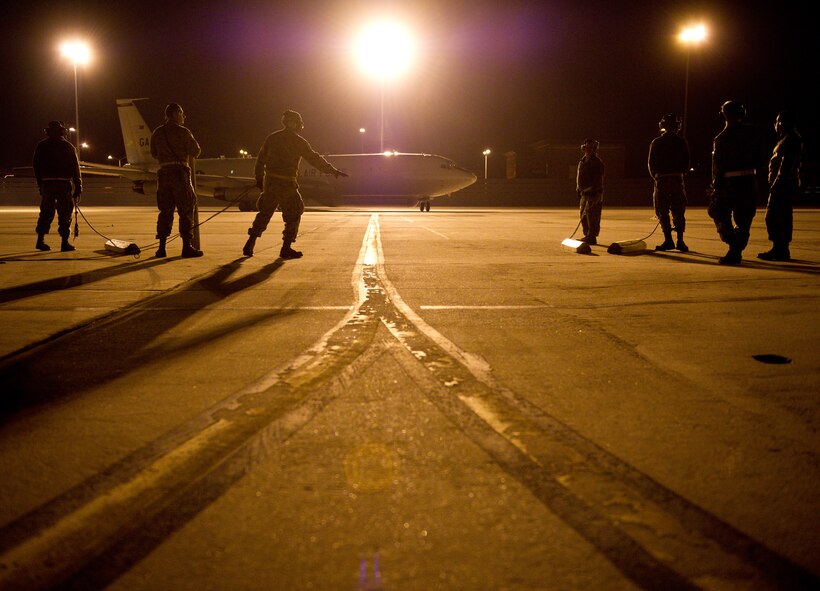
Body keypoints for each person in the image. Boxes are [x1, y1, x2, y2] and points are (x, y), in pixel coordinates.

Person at [243, 110, 348, 258]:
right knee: (294, 214)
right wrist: (333, 171)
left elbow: (260, 160)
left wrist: (259, 180)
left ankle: (250, 243)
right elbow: (314, 159)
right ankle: (286, 248)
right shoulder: (298, 141)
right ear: (294, 123)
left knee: (264, 213)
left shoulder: (272, 138)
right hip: (286, 183)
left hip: (270, 183)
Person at [708, 100, 762, 265]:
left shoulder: (721, 138)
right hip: (748, 180)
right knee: (744, 218)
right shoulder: (753, 132)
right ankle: (737, 248)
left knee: (717, 212)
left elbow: (719, 164)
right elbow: (761, 156)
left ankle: (734, 246)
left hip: (729, 182)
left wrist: (716, 185)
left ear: (723, 115)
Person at [150, 102, 203, 258]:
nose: (183, 117)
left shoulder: (157, 133)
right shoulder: (183, 132)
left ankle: (161, 248)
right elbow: (196, 151)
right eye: (181, 113)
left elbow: (154, 153)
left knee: (165, 211)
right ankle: (187, 246)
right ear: (174, 114)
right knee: (186, 211)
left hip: (164, 174)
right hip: (179, 174)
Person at [758, 110, 802, 261]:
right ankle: (781, 248)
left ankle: (779, 248)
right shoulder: (787, 139)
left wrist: (777, 182)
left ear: (783, 123)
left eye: (777, 122)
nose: (775, 125)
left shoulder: (791, 140)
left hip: (783, 183)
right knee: (782, 216)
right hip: (784, 183)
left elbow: (786, 165)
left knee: (773, 216)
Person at [32, 121, 81, 252]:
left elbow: (36, 166)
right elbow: (75, 169)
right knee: (65, 213)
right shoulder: (68, 146)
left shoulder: (41, 146)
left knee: (46, 212)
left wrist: (40, 184)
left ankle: (40, 240)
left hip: (47, 184)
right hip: (63, 184)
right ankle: (64, 242)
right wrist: (78, 186)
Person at [648, 113, 690, 252]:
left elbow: (651, 163)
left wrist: (656, 177)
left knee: (662, 211)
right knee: (679, 211)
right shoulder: (681, 142)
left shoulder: (656, 142)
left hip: (662, 180)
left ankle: (668, 240)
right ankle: (680, 241)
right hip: (677, 180)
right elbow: (686, 162)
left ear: (662, 126)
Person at [576, 138, 604, 245]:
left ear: (595, 149)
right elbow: (579, 176)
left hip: (594, 194)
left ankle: (592, 236)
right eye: (586, 147)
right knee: (583, 215)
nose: (588, 149)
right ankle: (587, 234)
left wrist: (592, 190)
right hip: (583, 193)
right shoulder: (582, 161)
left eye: (591, 147)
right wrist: (578, 188)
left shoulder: (597, 163)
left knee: (593, 215)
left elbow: (598, 180)